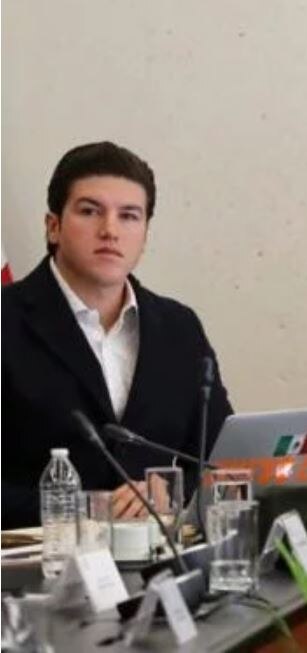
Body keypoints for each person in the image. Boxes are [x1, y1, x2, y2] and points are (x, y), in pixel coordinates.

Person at [2, 142, 234, 527]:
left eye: (129, 216)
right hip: (32, 573)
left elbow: (219, 457)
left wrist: (174, 492)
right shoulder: (5, 321)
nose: (110, 230)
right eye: (90, 211)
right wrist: (87, 509)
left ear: (144, 234)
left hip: (164, 569)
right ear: (54, 226)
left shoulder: (178, 327)